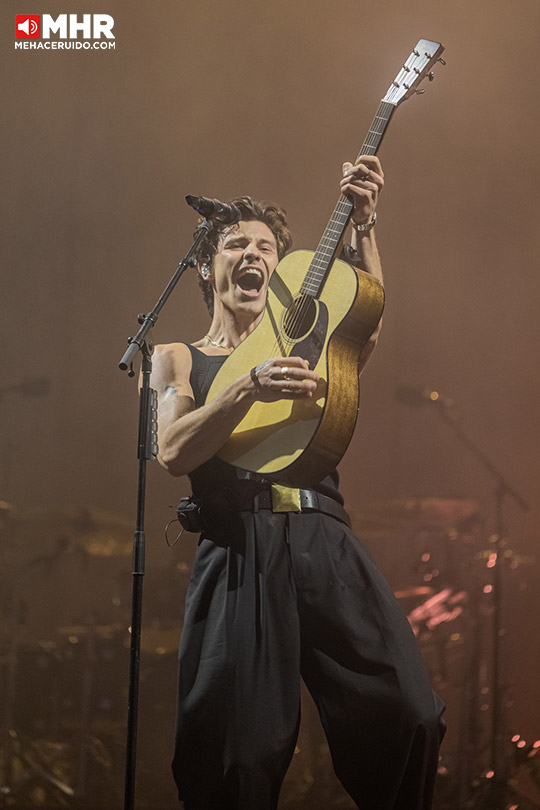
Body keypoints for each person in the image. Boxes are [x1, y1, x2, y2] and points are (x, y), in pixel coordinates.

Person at [150, 156, 445, 810]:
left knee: (409, 716)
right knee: (236, 755)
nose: (254, 253)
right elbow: (170, 448)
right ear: (207, 267)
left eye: (267, 246)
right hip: (238, 546)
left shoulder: (309, 344)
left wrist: (366, 225)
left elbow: (364, 324)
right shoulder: (177, 355)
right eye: (236, 244)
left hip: (324, 538)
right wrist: (243, 389)